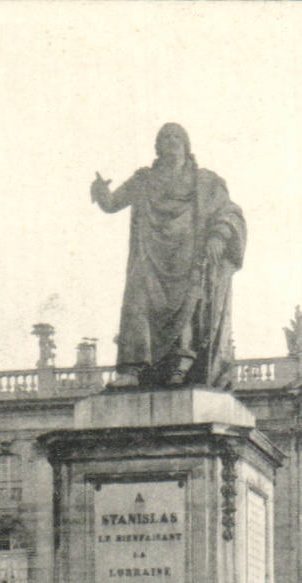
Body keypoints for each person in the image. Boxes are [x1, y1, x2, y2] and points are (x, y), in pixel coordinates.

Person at [92, 123, 246, 388]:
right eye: (165, 137)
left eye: (177, 136)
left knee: (187, 307)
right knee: (137, 303)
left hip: (189, 256)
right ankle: (132, 369)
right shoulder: (143, 180)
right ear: (157, 147)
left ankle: (180, 366)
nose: (171, 140)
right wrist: (101, 192)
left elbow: (230, 211)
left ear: (187, 145)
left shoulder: (207, 181)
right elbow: (112, 203)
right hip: (150, 256)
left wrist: (219, 235)